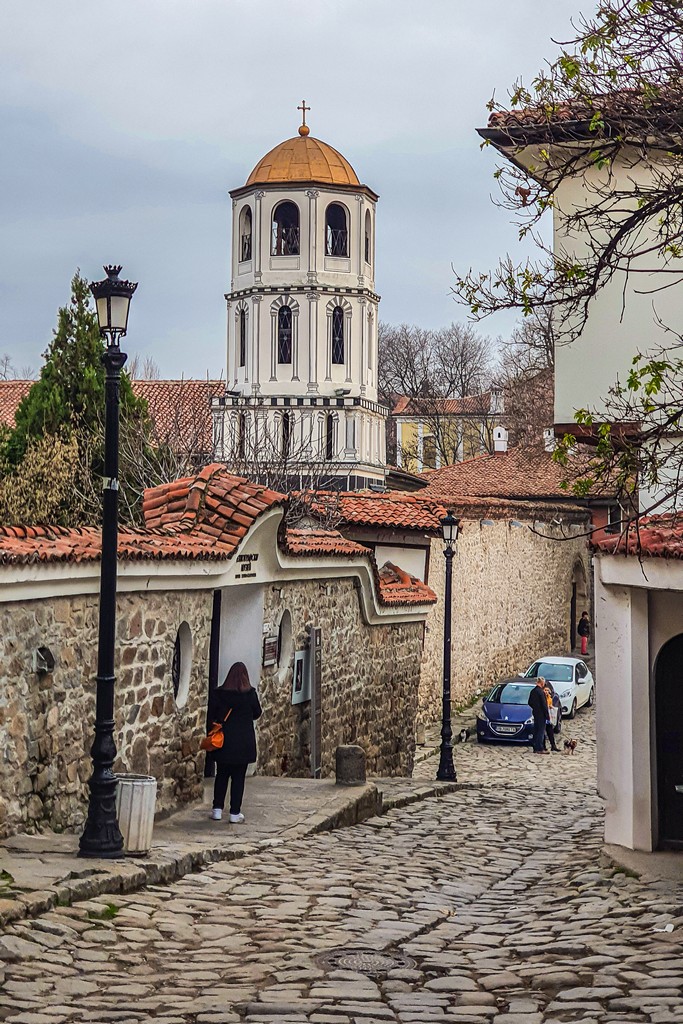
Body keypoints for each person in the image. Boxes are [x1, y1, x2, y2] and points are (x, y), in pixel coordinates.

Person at [207, 662, 262, 823]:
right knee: (238, 778)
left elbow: (212, 716)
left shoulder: (219, 694)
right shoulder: (250, 694)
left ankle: (217, 809)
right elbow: (257, 713)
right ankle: (234, 813)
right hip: (243, 743)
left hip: (224, 742)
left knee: (222, 775)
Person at [528, 676, 550, 754]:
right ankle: (540, 748)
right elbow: (544, 705)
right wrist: (547, 715)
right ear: (542, 683)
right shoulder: (541, 692)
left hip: (535, 713)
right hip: (541, 714)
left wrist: (535, 708)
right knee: (541, 731)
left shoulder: (533, 691)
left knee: (536, 730)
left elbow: (529, 702)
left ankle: (535, 747)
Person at [543, 680, 560, 752]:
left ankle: (553, 745)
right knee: (543, 733)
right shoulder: (542, 697)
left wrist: (551, 707)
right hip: (543, 717)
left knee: (550, 732)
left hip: (548, 717)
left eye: (547, 690)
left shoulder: (549, 698)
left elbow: (550, 705)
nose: (546, 692)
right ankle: (543, 746)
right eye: (545, 690)